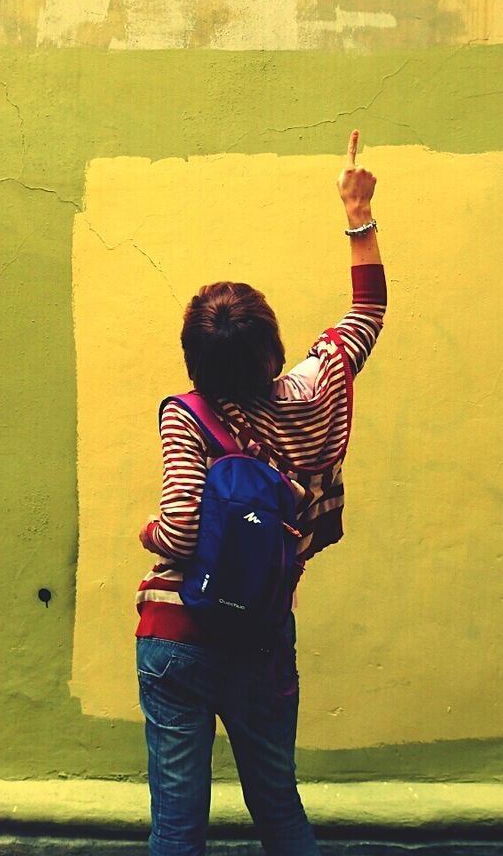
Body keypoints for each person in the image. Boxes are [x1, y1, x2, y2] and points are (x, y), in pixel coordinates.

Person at [134, 130, 387, 856]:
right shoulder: (319, 391)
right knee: (279, 810)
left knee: (178, 828)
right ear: (274, 349)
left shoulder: (188, 415)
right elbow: (367, 312)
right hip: (261, 638)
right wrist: (357, 208)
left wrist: (146, 530)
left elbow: (181, 533)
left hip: (177, 638)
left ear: (195, 361)